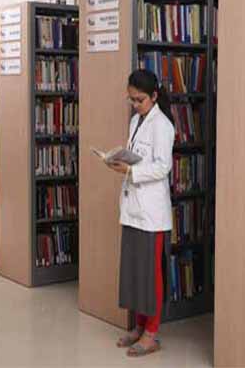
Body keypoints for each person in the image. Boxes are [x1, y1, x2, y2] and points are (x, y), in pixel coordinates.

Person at [104, 69, 175, 358]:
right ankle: (139, 326)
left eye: (140, 100)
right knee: (135, 272)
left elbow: (162, 167)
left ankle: (151, 334)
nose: (135, 105)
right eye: (131, 100)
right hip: (132, 208)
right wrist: (119, 162)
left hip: (151, 214)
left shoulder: (163, 125)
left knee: (151, 275)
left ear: (154, 96)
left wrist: (131, 171)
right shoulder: (136, 121)